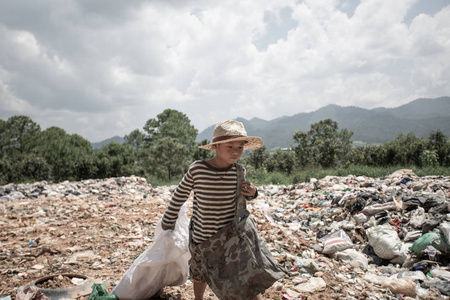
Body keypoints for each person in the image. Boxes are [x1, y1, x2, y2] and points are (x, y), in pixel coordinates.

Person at [161, 120, 265, 300]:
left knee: (239, 275)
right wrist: (168, 220)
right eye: (230, 146)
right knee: (200, 272)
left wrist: (253, 193)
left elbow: (242, 198)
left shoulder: (239, 171)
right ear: (216, 146)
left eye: (240, 147)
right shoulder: (198, 169)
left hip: (230, 237)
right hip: (202, 236)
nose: (235, 151)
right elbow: (180, 195)